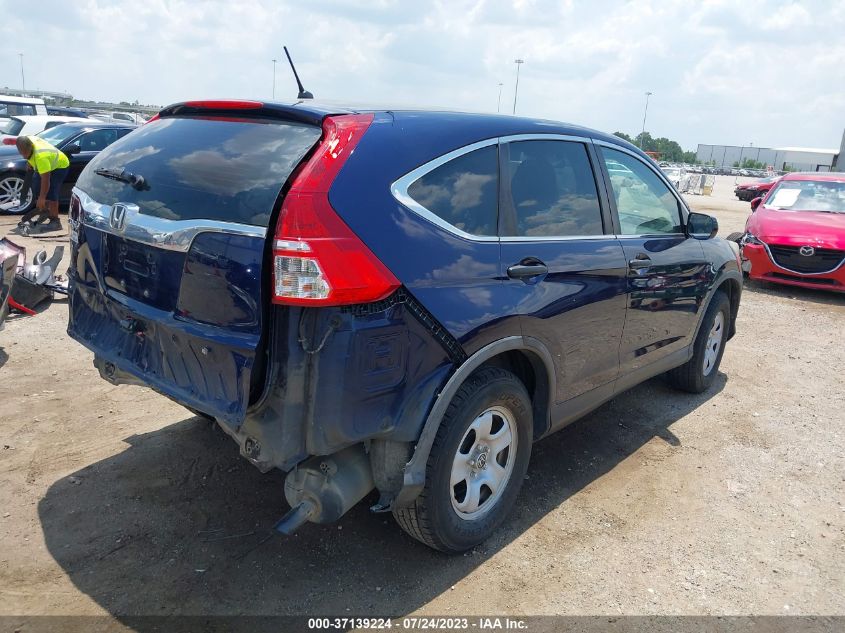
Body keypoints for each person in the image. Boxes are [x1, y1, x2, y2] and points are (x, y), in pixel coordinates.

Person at [15, 135, 70, 233]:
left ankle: (55, 222)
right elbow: (28, 150)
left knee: (52, 192)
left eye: (26, 153)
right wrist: (29, 161)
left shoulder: (41, 157)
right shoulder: (27, 139)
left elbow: (45, 179)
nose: (23, 156)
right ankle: (44, 210)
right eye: (21, 153)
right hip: (47, 162)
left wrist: (42, 197)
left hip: (60, 166)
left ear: (31, 147)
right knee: (36, 183)